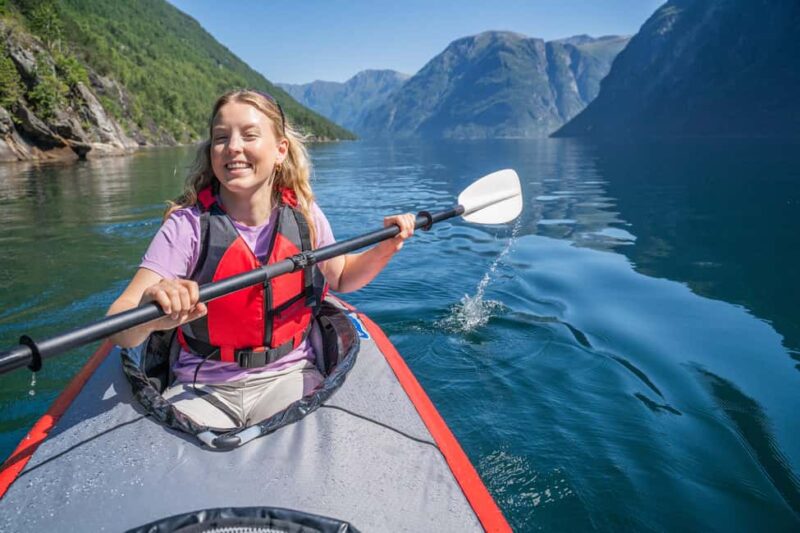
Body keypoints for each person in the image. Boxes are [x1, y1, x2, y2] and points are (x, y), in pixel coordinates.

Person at [107, 89, 415, 430]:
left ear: (280, 150)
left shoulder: (304, 215)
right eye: (221, 137)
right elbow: (120, 326)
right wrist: (151, 313)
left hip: (290, 375)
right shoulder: (188, 226)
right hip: (203, 387)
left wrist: (386, 247)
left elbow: (342, 277)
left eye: (249, 135)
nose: (233, 147)